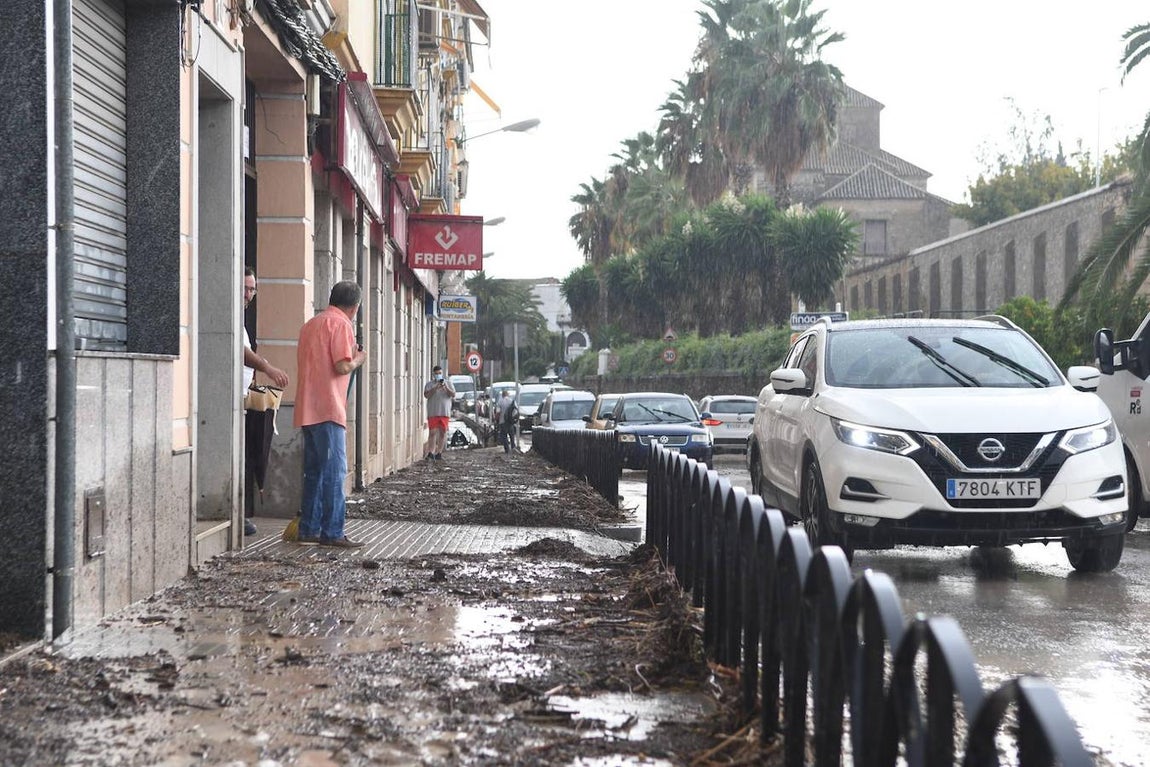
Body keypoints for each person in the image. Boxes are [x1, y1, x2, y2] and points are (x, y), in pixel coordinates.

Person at [293, 281, 368, 548]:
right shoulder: (341, 325)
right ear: (355, 307)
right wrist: (359, 358)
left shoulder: (310, 325)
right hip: (329, 408)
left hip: (306, 408)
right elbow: (342, 366)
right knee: (335, 472)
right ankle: (333, 531)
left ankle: (308, 529)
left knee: (313, 472)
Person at [242, 267, 289, 537]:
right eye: (245, 288)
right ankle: (235, 513)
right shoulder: (229, 314)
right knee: (243, 457)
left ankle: (240, 513)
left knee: (249, 456)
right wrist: (268, 368)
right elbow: (242, 352)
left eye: (252, 289)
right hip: (229, 398)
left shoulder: (240, 317)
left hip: (245, 397)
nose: (249, 294)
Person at [423, 365, 455, 460]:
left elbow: (453, 394)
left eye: (440, 373)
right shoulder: (429, 384)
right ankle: (431, 451)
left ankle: (439, 452)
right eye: (436, 374)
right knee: (432, 432)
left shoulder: (448, 383)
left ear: (442, 374)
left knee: (443, 432)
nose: (438, 375)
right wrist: (435, 388)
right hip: (433, 411)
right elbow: (426, 395)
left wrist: (445, 388)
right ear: (433, 374)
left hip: (444, 412)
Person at [494, 388, 517, 454]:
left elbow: (498, 412)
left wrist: (496, 420)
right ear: (508, 395)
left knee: (504, 436)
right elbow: (516, 411)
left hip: (502, 421)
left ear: (502, 395)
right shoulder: (512, 401)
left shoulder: (500, 402)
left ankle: (507, 450)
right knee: (511, 435)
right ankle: (513, 447)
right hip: (510, 421)